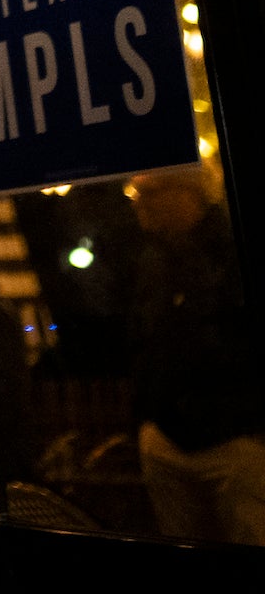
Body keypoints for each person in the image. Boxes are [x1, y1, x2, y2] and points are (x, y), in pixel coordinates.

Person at [127, 164, 265, 546]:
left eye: (151, 192)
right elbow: (144, 341)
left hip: (235, 440)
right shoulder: (155, 258)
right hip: (168, 438)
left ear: (188, 193)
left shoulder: (231, 250)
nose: (139, 203)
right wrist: (148, 422)